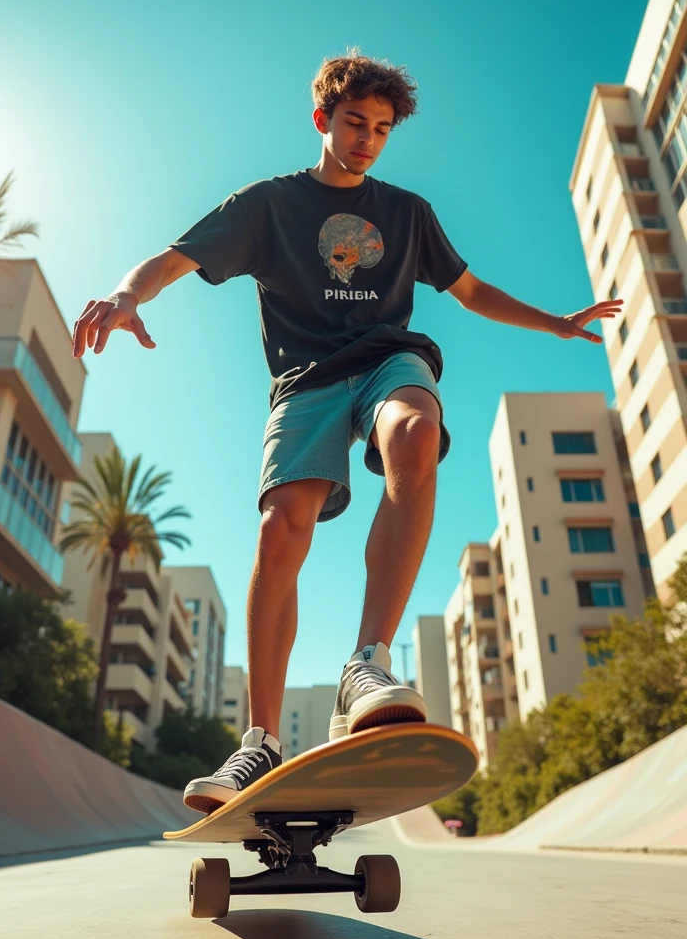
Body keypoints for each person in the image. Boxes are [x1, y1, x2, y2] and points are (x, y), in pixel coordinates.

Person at [72, 49, 623, 814]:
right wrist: (124, 295)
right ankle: (259, 740)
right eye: (355, 123)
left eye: (382, 129)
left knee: (417, 434)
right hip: (304, 382)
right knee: (281, 527)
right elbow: (174, 259)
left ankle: (367, 661)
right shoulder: (267, 205)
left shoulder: (407, 212)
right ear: (322, 120)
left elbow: (469, 291)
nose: (367, 139)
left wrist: (556, 323)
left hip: (387, 362)